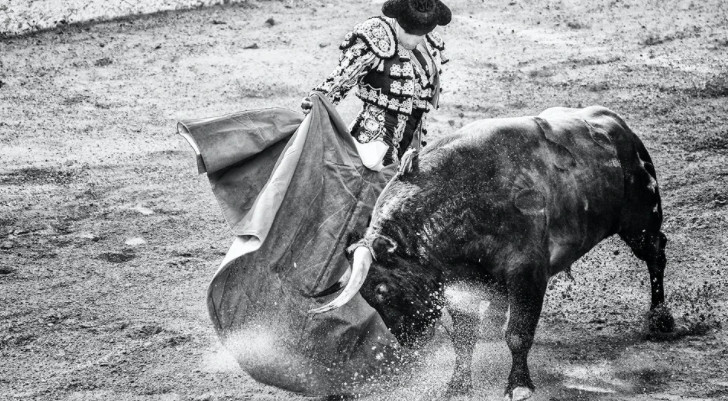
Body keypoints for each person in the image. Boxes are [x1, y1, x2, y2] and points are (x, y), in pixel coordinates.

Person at [301, 0, 451, 171]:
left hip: (413, 138)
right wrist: (317, 99)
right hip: (375, 138)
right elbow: (343, 77)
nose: (413, 39)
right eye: (407, 31)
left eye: (421, 34)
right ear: (397, 20)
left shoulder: (431, 44)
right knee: (368, 181)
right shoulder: (375, 35)